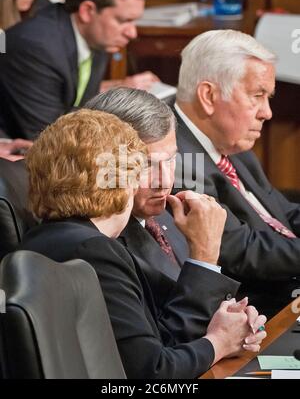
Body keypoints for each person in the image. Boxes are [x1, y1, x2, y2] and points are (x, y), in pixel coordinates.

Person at [19, 109, 266, 379]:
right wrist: (218, 342)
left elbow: (153, 342)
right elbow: (152, 372)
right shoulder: (93, 251)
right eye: (140, 168)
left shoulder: (50, 239)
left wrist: (223, 328)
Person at [85, 87, 249, 332]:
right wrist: (205, 256)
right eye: (146, 165)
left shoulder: (171, 212)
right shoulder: (103, 241)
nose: (164, 181)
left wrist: (232, 318)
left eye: (170, 160)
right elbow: (162, 351)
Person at [173, 29, 300, 318]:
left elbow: (280, 216)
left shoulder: (231, 141)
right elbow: (239, 250)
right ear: (208, 96)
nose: (266, 112)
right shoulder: (176, 157)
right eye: (257, 96)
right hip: (256, 308)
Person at [0, 0, 157, 140]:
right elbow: (46, 138)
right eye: (123, 21)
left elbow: (82, 109)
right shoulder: (36, 47)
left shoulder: (97, 36)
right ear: (87, 11)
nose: (132, 33)